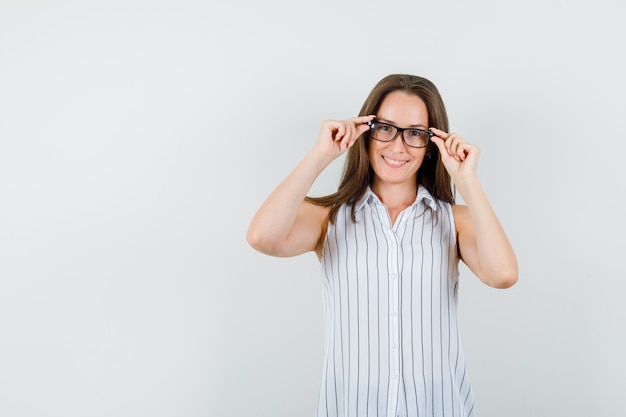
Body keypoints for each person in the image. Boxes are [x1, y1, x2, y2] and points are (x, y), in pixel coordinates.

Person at [246, 74, 518, 417]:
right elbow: (261, 237)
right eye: (385, 127)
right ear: (366, 131)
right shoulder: (327, 219)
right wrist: (320, 154)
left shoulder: (454, 221)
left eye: (416, 133)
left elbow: (503, 274)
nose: (398, 146)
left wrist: (468, 181)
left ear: (433, 143)